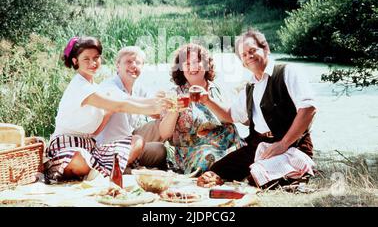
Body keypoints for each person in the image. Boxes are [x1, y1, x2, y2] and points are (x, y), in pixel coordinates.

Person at [197, 28, 317, 188]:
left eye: (252, 51)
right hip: (258, 146)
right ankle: (268, 177)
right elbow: (230, 115)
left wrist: (283, 144)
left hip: (292, 147)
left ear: (265, 49)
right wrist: (207, 100)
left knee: (257, 177)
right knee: (216, 171)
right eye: (244, 55)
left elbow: (308, 108)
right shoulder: (250, 87)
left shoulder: (288, 71)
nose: (249, 57)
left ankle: (295, 177)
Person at [44, 36, 168, 183]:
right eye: (86, 59)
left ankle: (100, 171)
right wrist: (153, 104)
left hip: (90, 148)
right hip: (67, 146)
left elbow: (98, 129)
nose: (93, 63)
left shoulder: (94, 87)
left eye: (96, 58)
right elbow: (120, 104)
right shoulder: (79, 86)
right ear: (75, 61)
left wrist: (156, 102)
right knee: (79, 158)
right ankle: (104, 171)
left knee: (137, 141)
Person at [159, 43, 245, 176]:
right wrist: (175, 110)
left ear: (206, 64)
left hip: (229, 144)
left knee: (249, 155)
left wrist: (208, 100)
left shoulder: (219, 90)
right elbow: (164, 134)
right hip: (193, 152)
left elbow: (233, 117)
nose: (192, 67)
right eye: (187, 63)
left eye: (197, 62)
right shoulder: (175, 94)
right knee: (212, 158)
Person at [96, 46, 167, 170]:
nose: (134, 66)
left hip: (129, 138)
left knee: (160, 148)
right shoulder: (109, 87)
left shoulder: (139, 88)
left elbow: (156, 112)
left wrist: (168, 104)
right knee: (142, 143)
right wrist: (152, 104)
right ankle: (116, 168)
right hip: (109, 144)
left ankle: (132, 163)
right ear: (118, 65)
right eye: (128, 62)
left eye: (138, 63)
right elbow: (124, 102)